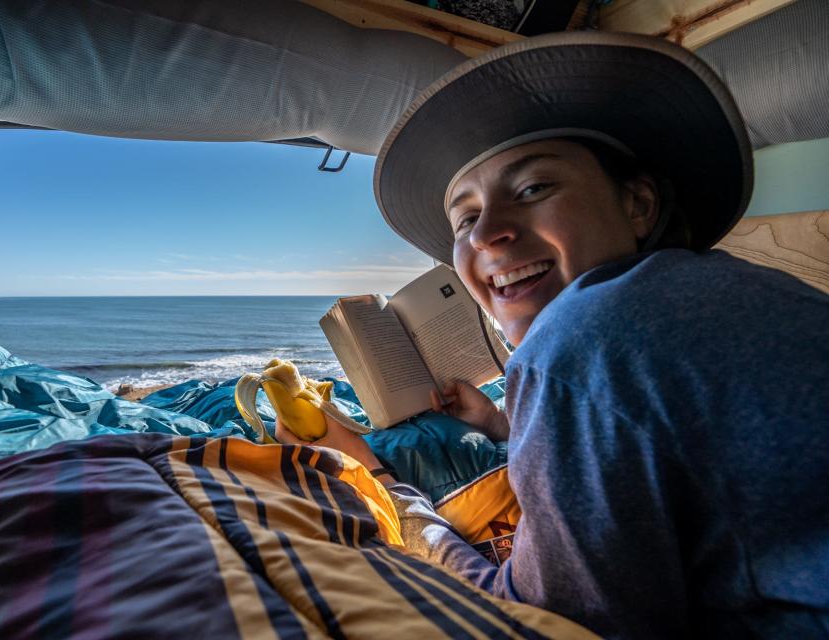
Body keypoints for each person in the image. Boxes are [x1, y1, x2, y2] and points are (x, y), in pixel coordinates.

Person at [276, 31, 829, 638]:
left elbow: (538, 621)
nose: (486, 234)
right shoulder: (728, 288)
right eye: (465, 217)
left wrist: (376, 482)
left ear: (639, 204)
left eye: (533, 188)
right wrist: (498, 425)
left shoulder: (581, 332)